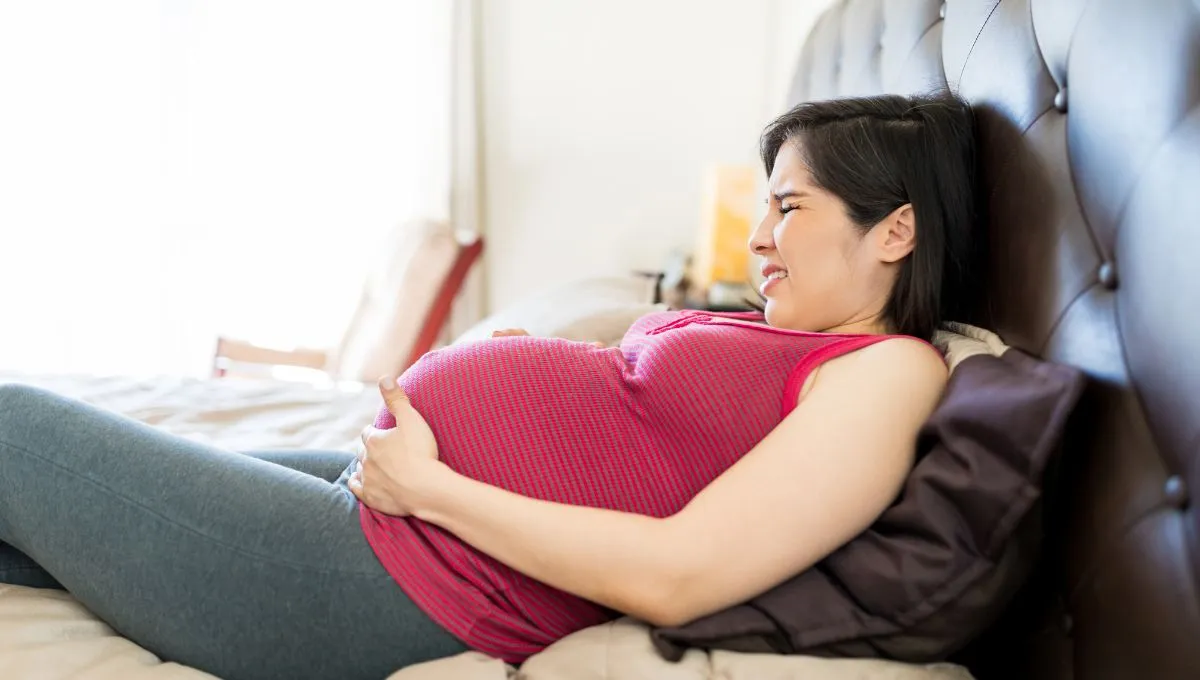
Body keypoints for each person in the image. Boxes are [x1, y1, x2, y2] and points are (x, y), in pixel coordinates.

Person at [0, 91, 976, 680]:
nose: (760, 235)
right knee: (29, 529)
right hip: (395, 518)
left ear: (894, 230)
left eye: (789, 206)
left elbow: (680, 575)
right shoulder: (785, 332)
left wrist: (435, 487)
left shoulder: (892, 370)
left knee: (12, 428)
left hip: (411, 577)